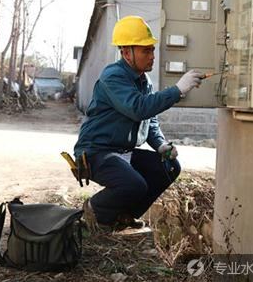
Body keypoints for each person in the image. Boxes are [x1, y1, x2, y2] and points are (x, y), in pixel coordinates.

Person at [74, 16, 204, 231]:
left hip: (122, 152)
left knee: (169, 167)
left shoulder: (144, 80)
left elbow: (149, 119)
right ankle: (95, 212)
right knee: (134, 184)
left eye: (152, 49)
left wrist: (161, 145)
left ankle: (124, 215)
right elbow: (139, 108)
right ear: (126, 52)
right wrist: (178, 90)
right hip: (96, 152)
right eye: (145, 50)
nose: (152, 56)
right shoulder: (113, 76)